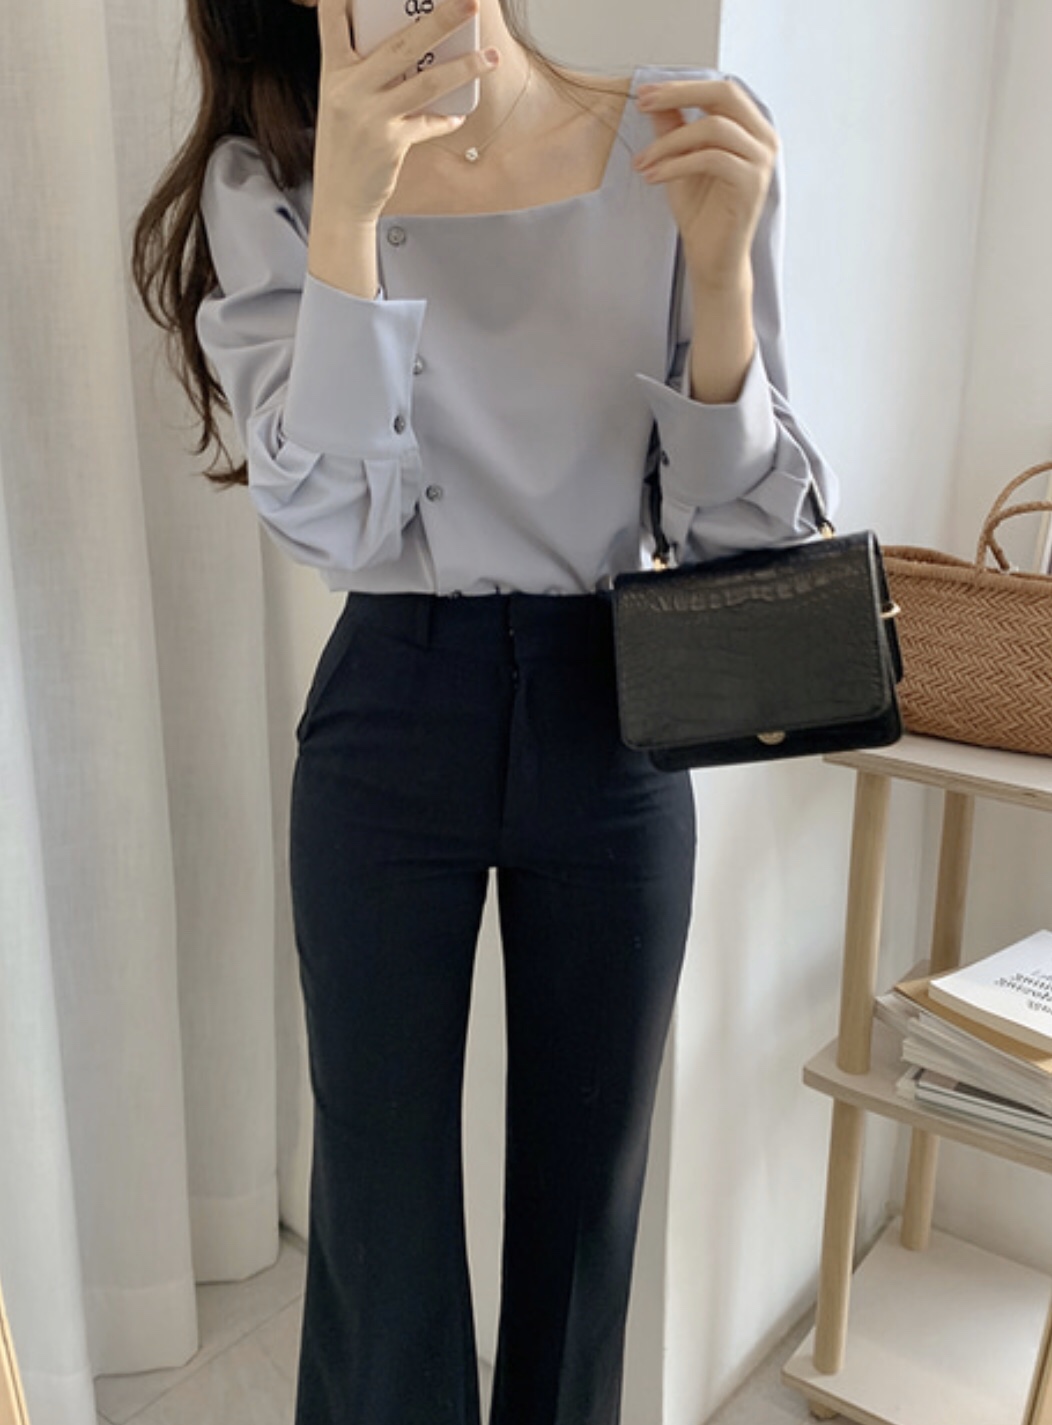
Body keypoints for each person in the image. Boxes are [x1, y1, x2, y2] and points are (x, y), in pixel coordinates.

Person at [132, 0, 836, 1420]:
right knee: (379, 1208)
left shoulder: (676, 136)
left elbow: (742, 548)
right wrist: (349, 216)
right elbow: (336, 520)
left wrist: (719, 280)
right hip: (393, 703)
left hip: (614, 707)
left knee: (590, 1205)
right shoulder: (272, 181)